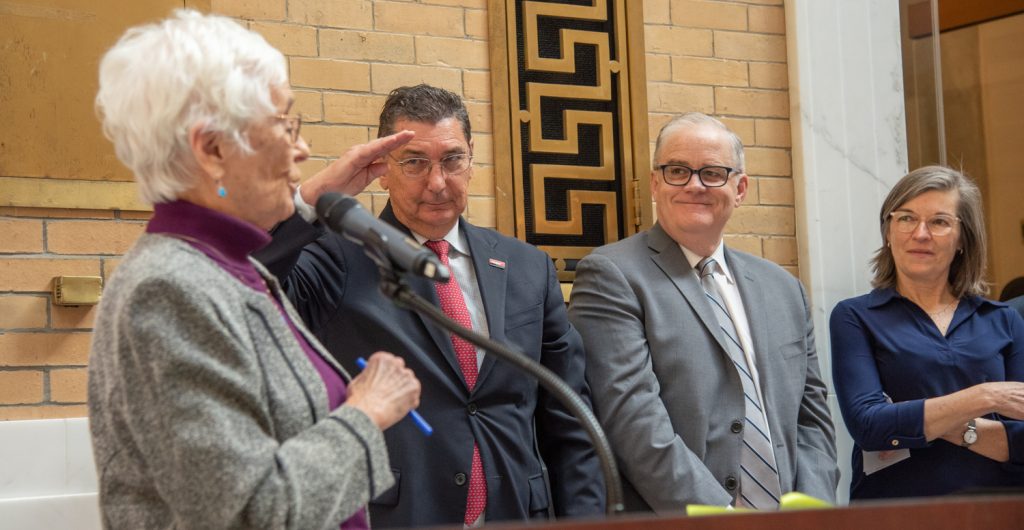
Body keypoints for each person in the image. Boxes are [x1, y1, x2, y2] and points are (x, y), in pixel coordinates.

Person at [88, 11, 422, 529]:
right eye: (285, 124)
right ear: (213, 149)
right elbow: (249, 512)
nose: (302, 148)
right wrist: (367, 412)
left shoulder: (225, 266)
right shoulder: (168, 289)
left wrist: (309, 199)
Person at [255, 84, 605, 527]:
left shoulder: (527, 266)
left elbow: (570, 418)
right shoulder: (335, 254)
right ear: (382, 168)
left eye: (452, 160)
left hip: (515, 510)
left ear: (472, 158)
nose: (437, 183)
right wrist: (314, 198)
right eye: (415, 162)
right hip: (398, 512)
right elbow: (250, 281)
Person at [567, 113, 838, 512]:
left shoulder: (784, 289)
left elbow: (811, 420)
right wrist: (720, 517)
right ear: (656, 183)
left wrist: (810, 515)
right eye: (677, 171)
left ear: (740, 187)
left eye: (712, 172)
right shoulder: (612, 275)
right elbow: (632, 421)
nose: (694, 185)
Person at [830, 165, 1024, 499]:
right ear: (888, 231)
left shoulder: (1004, 320)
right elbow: (869, 427)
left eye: (939, 221)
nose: (920, 233)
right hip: (894, 514)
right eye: (906, 218)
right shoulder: (855, 317)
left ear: (963, 238)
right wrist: (985, 397)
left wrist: (913, 419)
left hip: (997, 512)